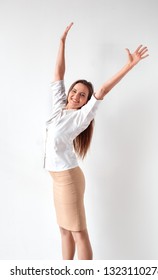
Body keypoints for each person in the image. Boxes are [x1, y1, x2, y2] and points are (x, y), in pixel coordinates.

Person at [44, 22, 149, 260]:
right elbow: (58, 75)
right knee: (63, 230)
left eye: (82, 95)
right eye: (75, 91)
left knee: (79, 232)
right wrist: (61, 42)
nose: (76, 95)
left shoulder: (82, 116)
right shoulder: (58, 108)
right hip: (56, 177)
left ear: (85, 102)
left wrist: (129, 65)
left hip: (69, 178)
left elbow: (102, 89)